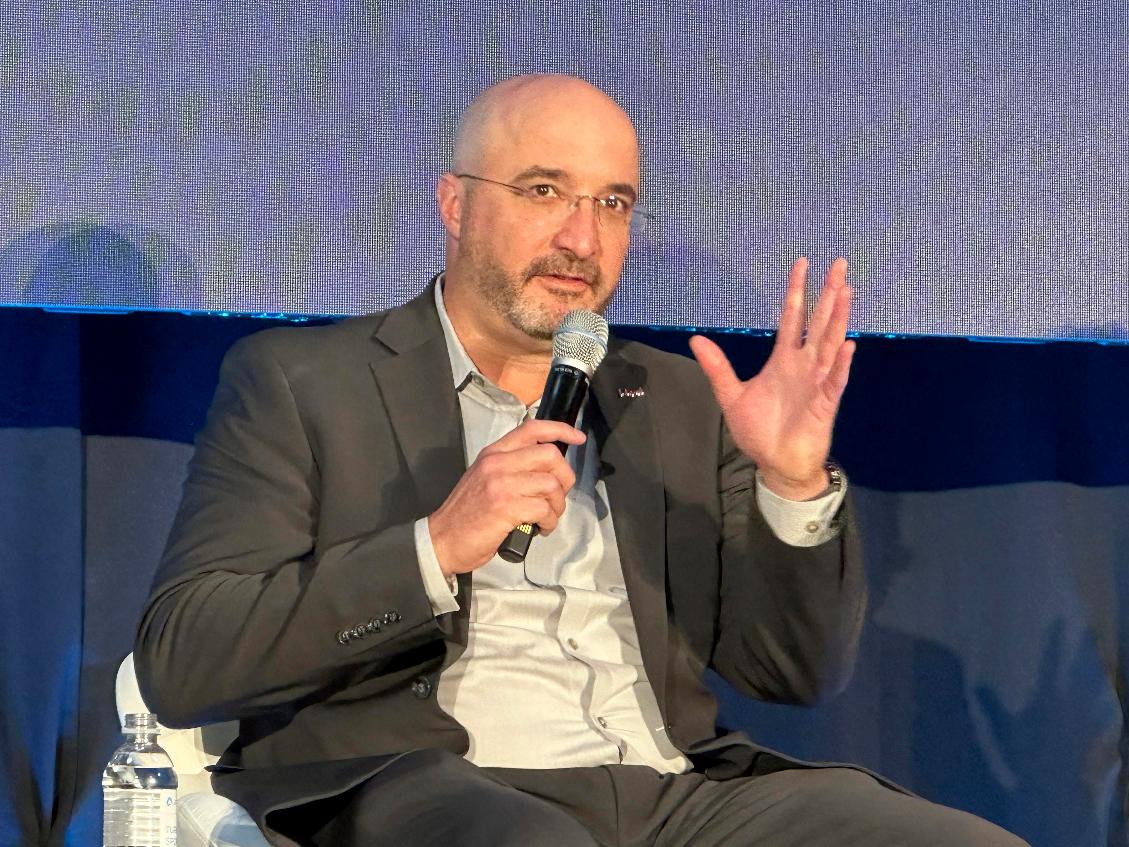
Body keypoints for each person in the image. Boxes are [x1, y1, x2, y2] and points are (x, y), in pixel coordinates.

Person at [135, 74, 1026, 846]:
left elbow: (790, 672)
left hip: (675, 793)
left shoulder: (675, 399)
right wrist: (435, 546)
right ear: (454, 204)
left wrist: (790, 486)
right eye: (542, 190)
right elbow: (186, 661)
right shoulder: (302, 381)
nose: (582, 239)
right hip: (432, 785)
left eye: (612, 203)